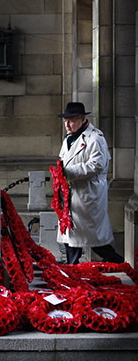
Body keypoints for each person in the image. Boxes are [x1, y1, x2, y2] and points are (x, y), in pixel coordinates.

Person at [57, 101, 124, 265]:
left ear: (81, 119)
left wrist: (68, 172)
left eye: (71, 120)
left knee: (93, 238)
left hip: (88, 194)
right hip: (73, 195)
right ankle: (72, 265)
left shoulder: (95, 138)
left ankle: (118, 262)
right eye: (65, 120)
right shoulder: (69, 138)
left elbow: (97, 165)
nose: (67, 124)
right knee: (74, 235)